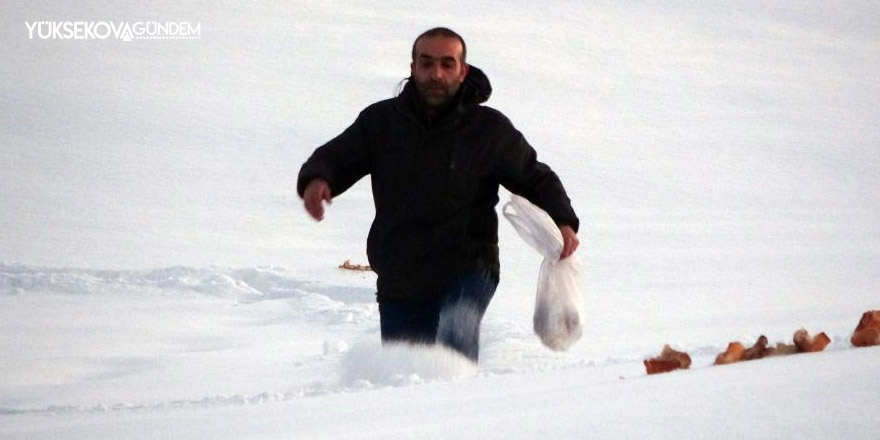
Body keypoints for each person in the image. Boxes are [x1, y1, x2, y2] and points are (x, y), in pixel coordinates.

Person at [297, 27, 579, 362]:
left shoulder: (488, 130)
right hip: (400, 274)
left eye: (447, 64)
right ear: (413, 67)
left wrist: (563, 221)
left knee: (453, 344)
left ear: (463, 71)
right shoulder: (382, 122)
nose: (436, 74)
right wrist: (318, 179)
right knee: (407, 372)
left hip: (469, 267)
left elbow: (535, 177)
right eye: (427, 63)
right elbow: (338, 156)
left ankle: (458, 406)